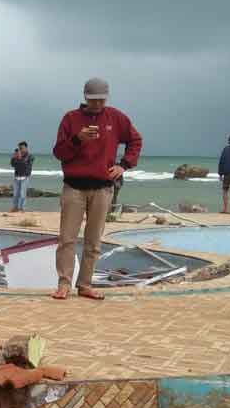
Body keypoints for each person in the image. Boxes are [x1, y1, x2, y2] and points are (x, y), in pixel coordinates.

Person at [51, 78, 143, 300]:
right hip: (74, 187)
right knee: (67, 239)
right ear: (85, 97)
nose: (97, 104)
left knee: (93, 241)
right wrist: (77, 139)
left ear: (106, 97)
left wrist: (124, 165)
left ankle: (85, 285)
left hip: (103, 187)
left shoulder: (116, 117)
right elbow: (59, 153)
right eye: (93, 100)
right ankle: (64, 285)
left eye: (101, 100)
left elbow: (135, 140)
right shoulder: (70, 119)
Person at [9, 142, 34, 212]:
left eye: (21, 148)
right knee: (15, 194)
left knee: (22, 194)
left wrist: (19, 158)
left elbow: (25, 164)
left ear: (26, 148)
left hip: (25, 177)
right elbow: (12, 164)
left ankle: (22, 208)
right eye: (19, 148)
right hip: (17, 177)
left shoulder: (30, 156)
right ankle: (15, 207)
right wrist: (14, 158)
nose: (20, 150)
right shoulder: (17, 156)